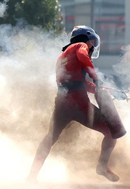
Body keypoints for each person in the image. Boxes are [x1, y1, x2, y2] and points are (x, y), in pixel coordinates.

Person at [28, 26, 124, 183]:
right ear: (88, 39)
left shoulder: (61, 58)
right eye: (92, 43)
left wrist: (104, 89)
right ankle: (102, 166)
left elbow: (77, 83)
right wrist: (96, 77)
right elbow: (83, 56)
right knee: (111, 132)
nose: (92, 48)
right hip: (79, 104)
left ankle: (32, 176)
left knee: (49, 139)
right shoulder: (80, 47)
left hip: (61, 103)